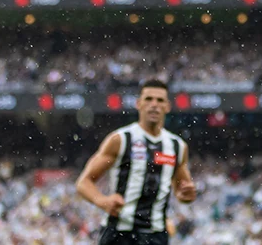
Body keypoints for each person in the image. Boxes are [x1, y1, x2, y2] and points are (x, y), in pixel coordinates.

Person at [75, 79, 197, 245]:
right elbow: (84, 182)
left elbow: (182, 190)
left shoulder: (177, 146)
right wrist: (102, 201)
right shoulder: (121, 139)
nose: (154, 104)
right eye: (148, 99)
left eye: (160, 100)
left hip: (155, 235)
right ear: (138, 104)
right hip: (119, 233)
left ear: (167, 106)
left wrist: (186, 196)